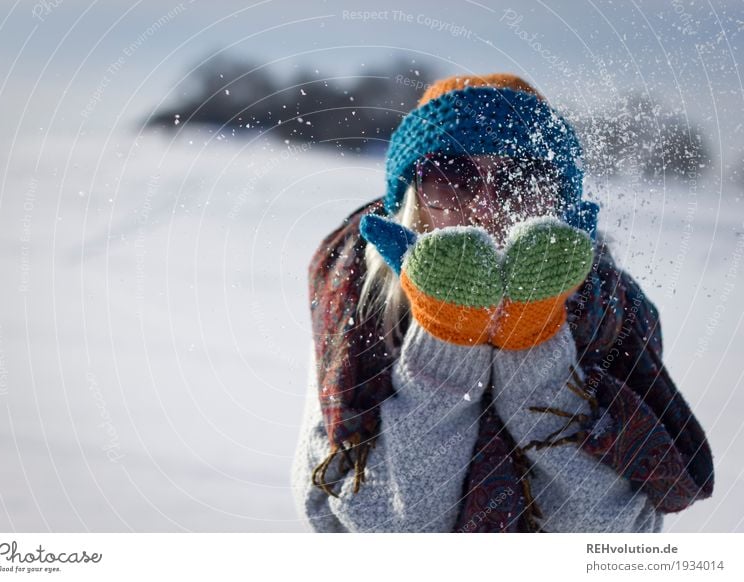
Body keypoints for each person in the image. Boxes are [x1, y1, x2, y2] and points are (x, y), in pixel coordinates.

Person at [290, 74, 714, 533]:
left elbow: (615, 536)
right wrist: (444, 338)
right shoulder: (361, 303)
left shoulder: (612, 311)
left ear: (560, 199)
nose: (487, 204)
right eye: (452, 175)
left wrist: (535, 341)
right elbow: (357, 528)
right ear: (413, 197)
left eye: (522, 176)